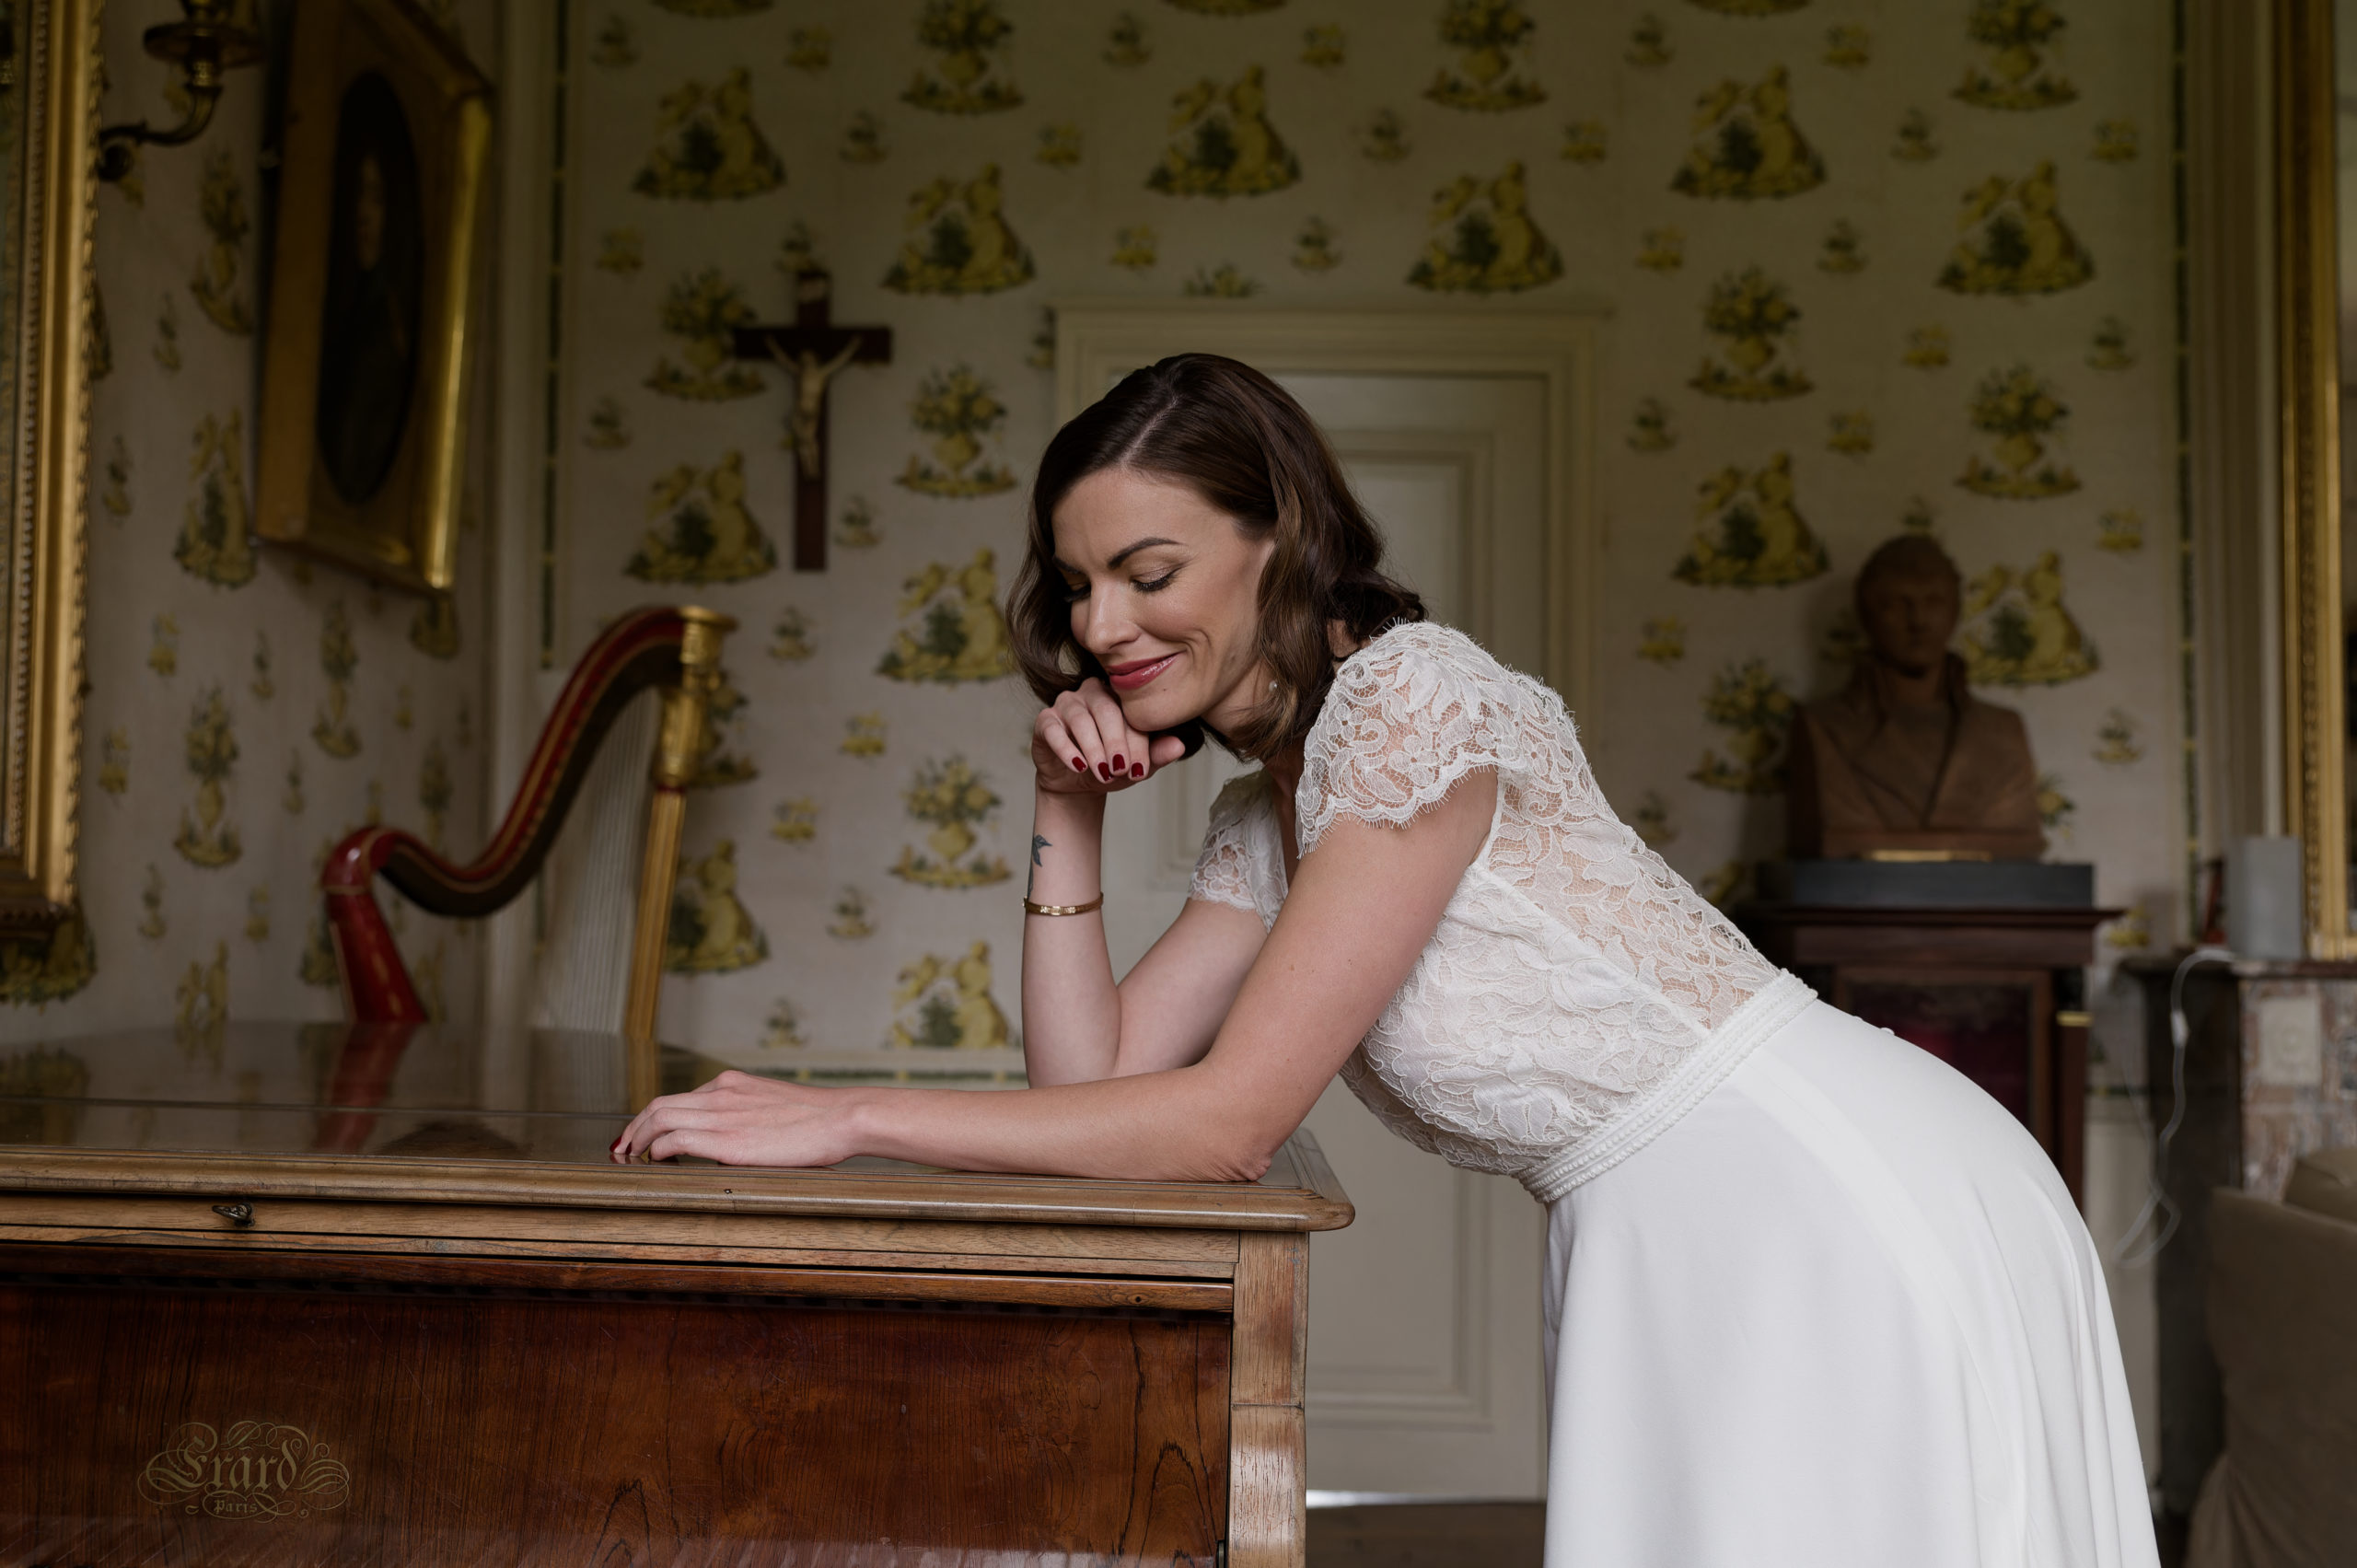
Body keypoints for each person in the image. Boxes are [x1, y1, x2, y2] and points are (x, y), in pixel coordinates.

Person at [612, 354, 2158, 1568]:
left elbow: (1219, 1124)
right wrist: (1062, 812)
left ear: (1276, 536)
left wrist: (848, 1115)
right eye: (1079, 587)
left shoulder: (1411, 702)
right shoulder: (1261, 813)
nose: (1103, 624)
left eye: (1149, 572)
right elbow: (1093, 1098)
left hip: (1820, 1194)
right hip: (1663, 1227)